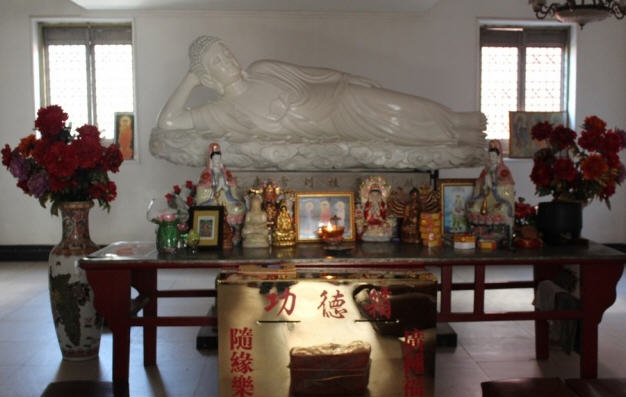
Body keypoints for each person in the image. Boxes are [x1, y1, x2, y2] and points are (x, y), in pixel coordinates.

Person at [156, 36, 486, 150]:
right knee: (395, 129)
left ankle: (459, 121)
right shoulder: (222, 111)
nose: (228, 59)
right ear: (209, 77)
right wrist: (190, 78)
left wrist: (349, 77)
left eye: (226, 52)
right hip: (329, 127)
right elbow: (168, 122)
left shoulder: (261, 69)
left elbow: (311, 75)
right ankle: (459, 136)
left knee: (398, 106)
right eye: (217, 61)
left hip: (338, 99)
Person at [466, 140, 515, 246]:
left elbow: (508, 189)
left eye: (493, 156)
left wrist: (493, 185)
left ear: (499, 156)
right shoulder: (485, 171)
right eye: (489, 156)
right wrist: (484, 185)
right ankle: (479, 232)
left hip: (499, 199)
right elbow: (479, 186)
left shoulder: (503, 171)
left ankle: (500, 234)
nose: (491, 158)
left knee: (501, 208)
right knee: (473, 206)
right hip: (486, 198)